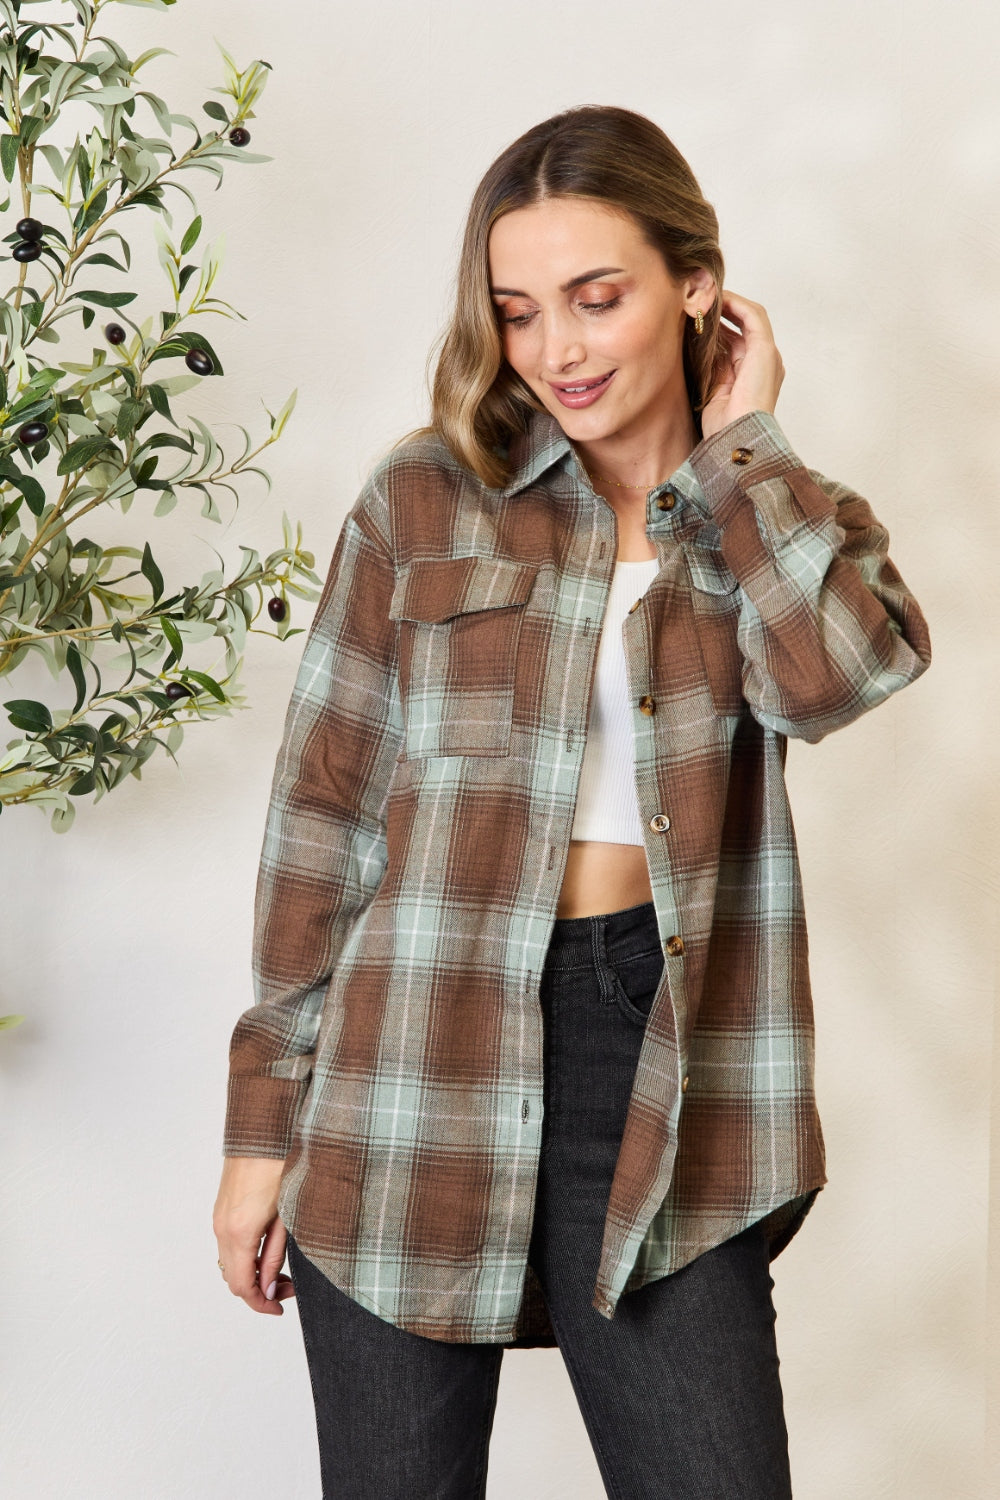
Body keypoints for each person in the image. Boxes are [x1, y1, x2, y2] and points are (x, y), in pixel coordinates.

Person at [213, 104, 932, 1498]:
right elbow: (324, 822)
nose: (559, 350)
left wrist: (745, 449)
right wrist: (259, 1133)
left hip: (656, 1055)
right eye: (521, 310)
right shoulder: (425, 503)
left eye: (598, 299)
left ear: (696, 284)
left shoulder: (772, 509)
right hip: (408, 1049)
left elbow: (844, 677)